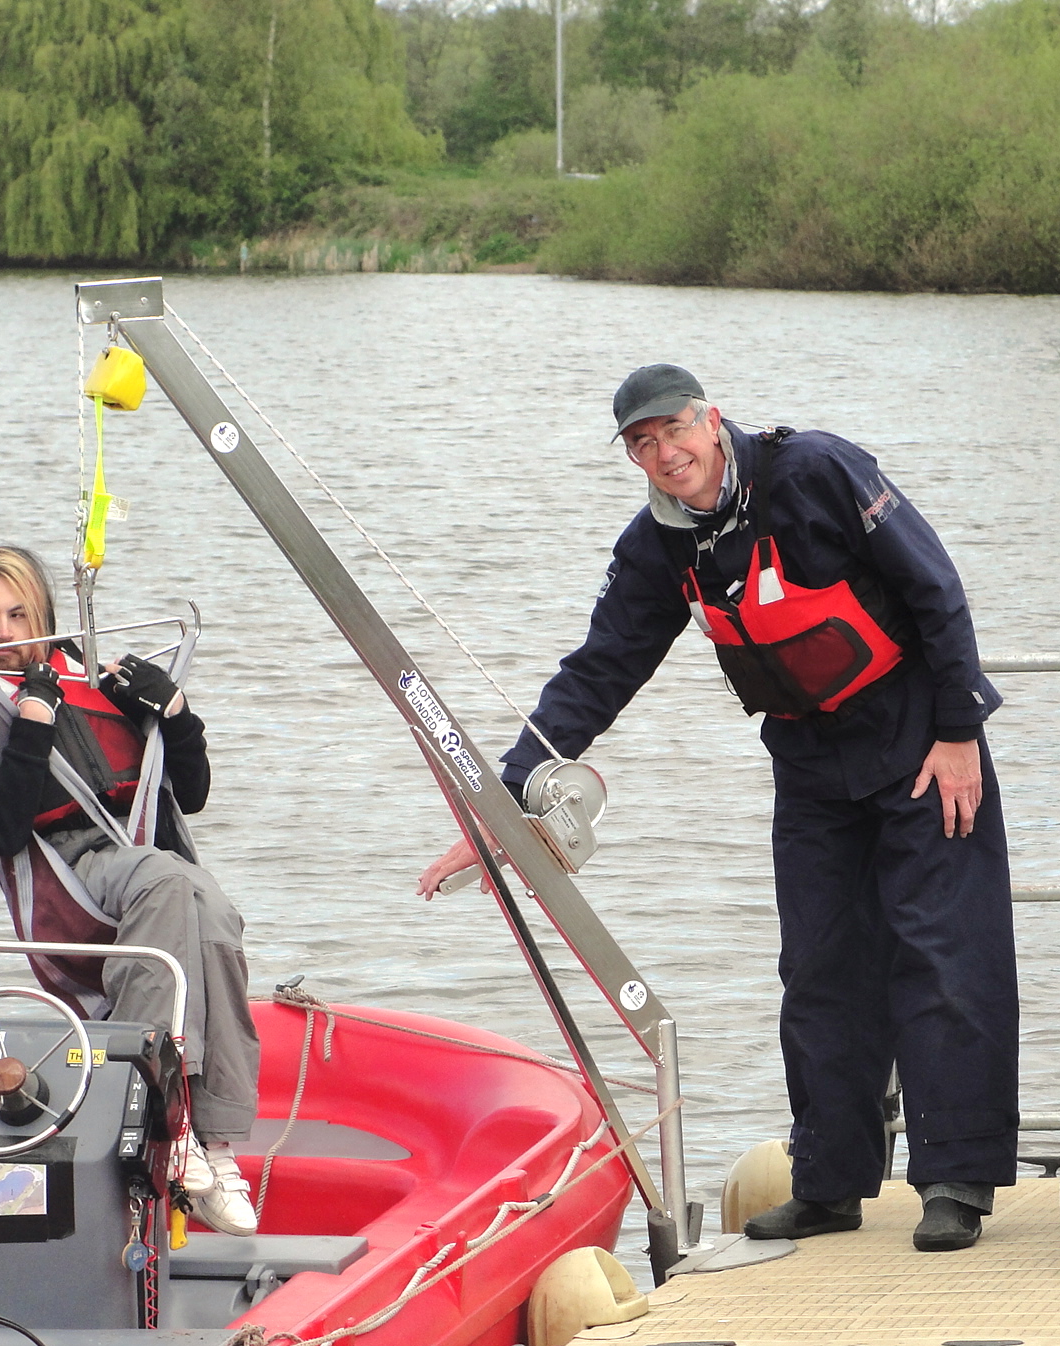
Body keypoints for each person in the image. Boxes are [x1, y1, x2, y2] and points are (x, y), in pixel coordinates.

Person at [419, 366, 1019, 1253]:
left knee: (943, 957)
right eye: (642, 444)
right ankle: (829, 1183)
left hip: (919, 746)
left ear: (712, 419)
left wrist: (960, 729)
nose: (665, 455)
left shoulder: (818, 471)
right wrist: (502, 804)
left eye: (673, 431)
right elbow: (599, 670)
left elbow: (936, 586)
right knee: (818, 969)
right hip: (812, 767)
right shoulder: (655, 547)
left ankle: (955, 1182)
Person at [0, 537, 260, 1237]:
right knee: (170, 883)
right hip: (62, 875)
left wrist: (177, 715)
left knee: (214, 908)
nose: (4, 633)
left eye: (17, 613)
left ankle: (215, 1146)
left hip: (142, 851)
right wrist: (33, 724)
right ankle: (166, 1112)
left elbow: (192, 791)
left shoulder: (86, 673)